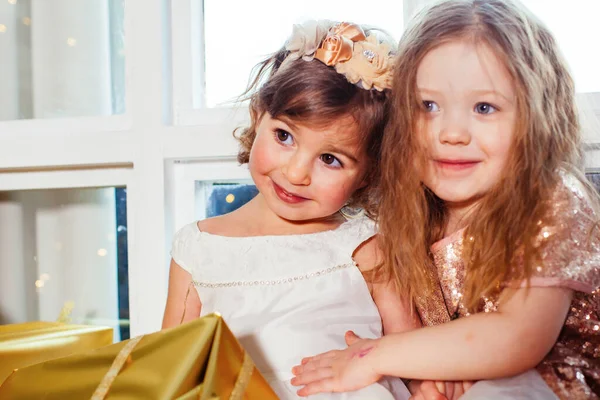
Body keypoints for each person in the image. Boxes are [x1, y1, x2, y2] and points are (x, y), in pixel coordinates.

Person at [291, 1, 600, 399]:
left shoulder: (550, 199)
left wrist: (373, 356)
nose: (452, 133)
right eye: (429, 106)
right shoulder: (410, 206)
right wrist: (429, 376)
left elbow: (516, 339)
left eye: (484, 107)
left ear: (536, 116)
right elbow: (421, 329)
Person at [162, 19, 416, 399]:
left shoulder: (364, 243)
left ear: (367, 175)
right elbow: (169, 364)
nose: (296, 173)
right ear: (257, 118)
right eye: (284, 137)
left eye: (330, 159)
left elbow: (412, 348)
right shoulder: (197, 247)